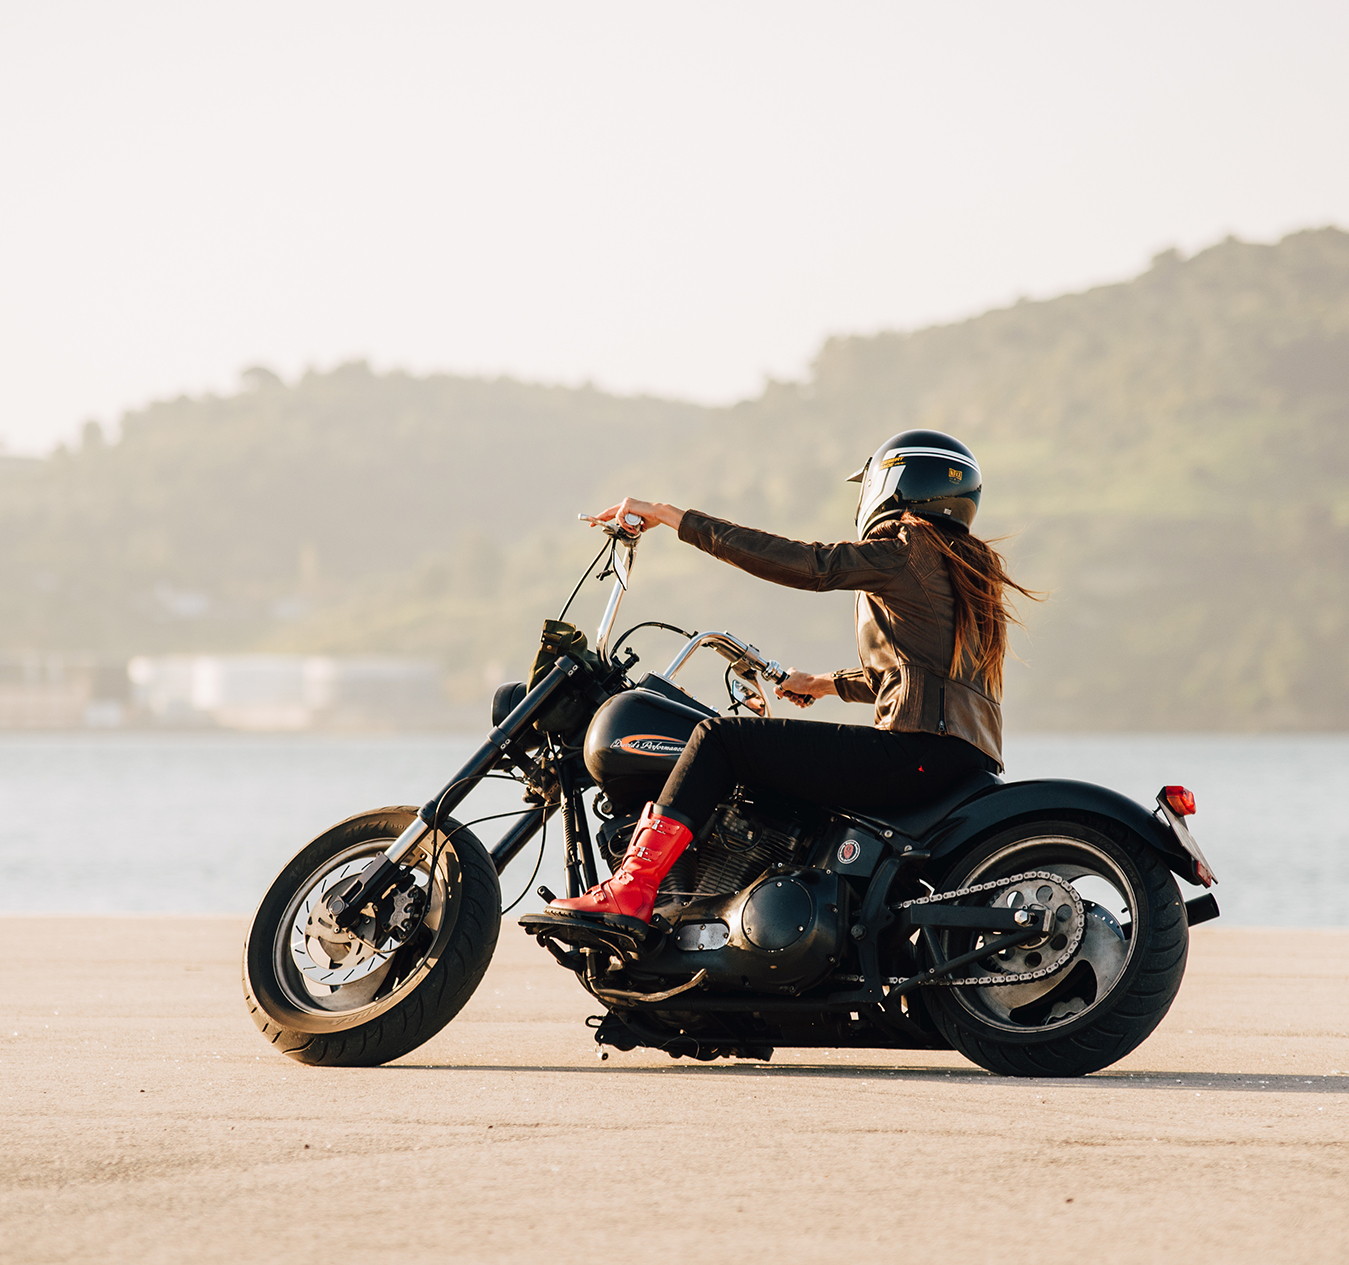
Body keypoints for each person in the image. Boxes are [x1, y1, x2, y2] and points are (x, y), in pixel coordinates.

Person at [545, 429, 1038, 927]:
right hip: (960, 755)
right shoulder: (966, 568)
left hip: (915, 752)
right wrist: (822, 684)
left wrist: (674, 517)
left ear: (892, 485)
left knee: (719, 740)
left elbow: (809, 564)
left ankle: (632, 887)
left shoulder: (906, 550)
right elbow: (921, 676)